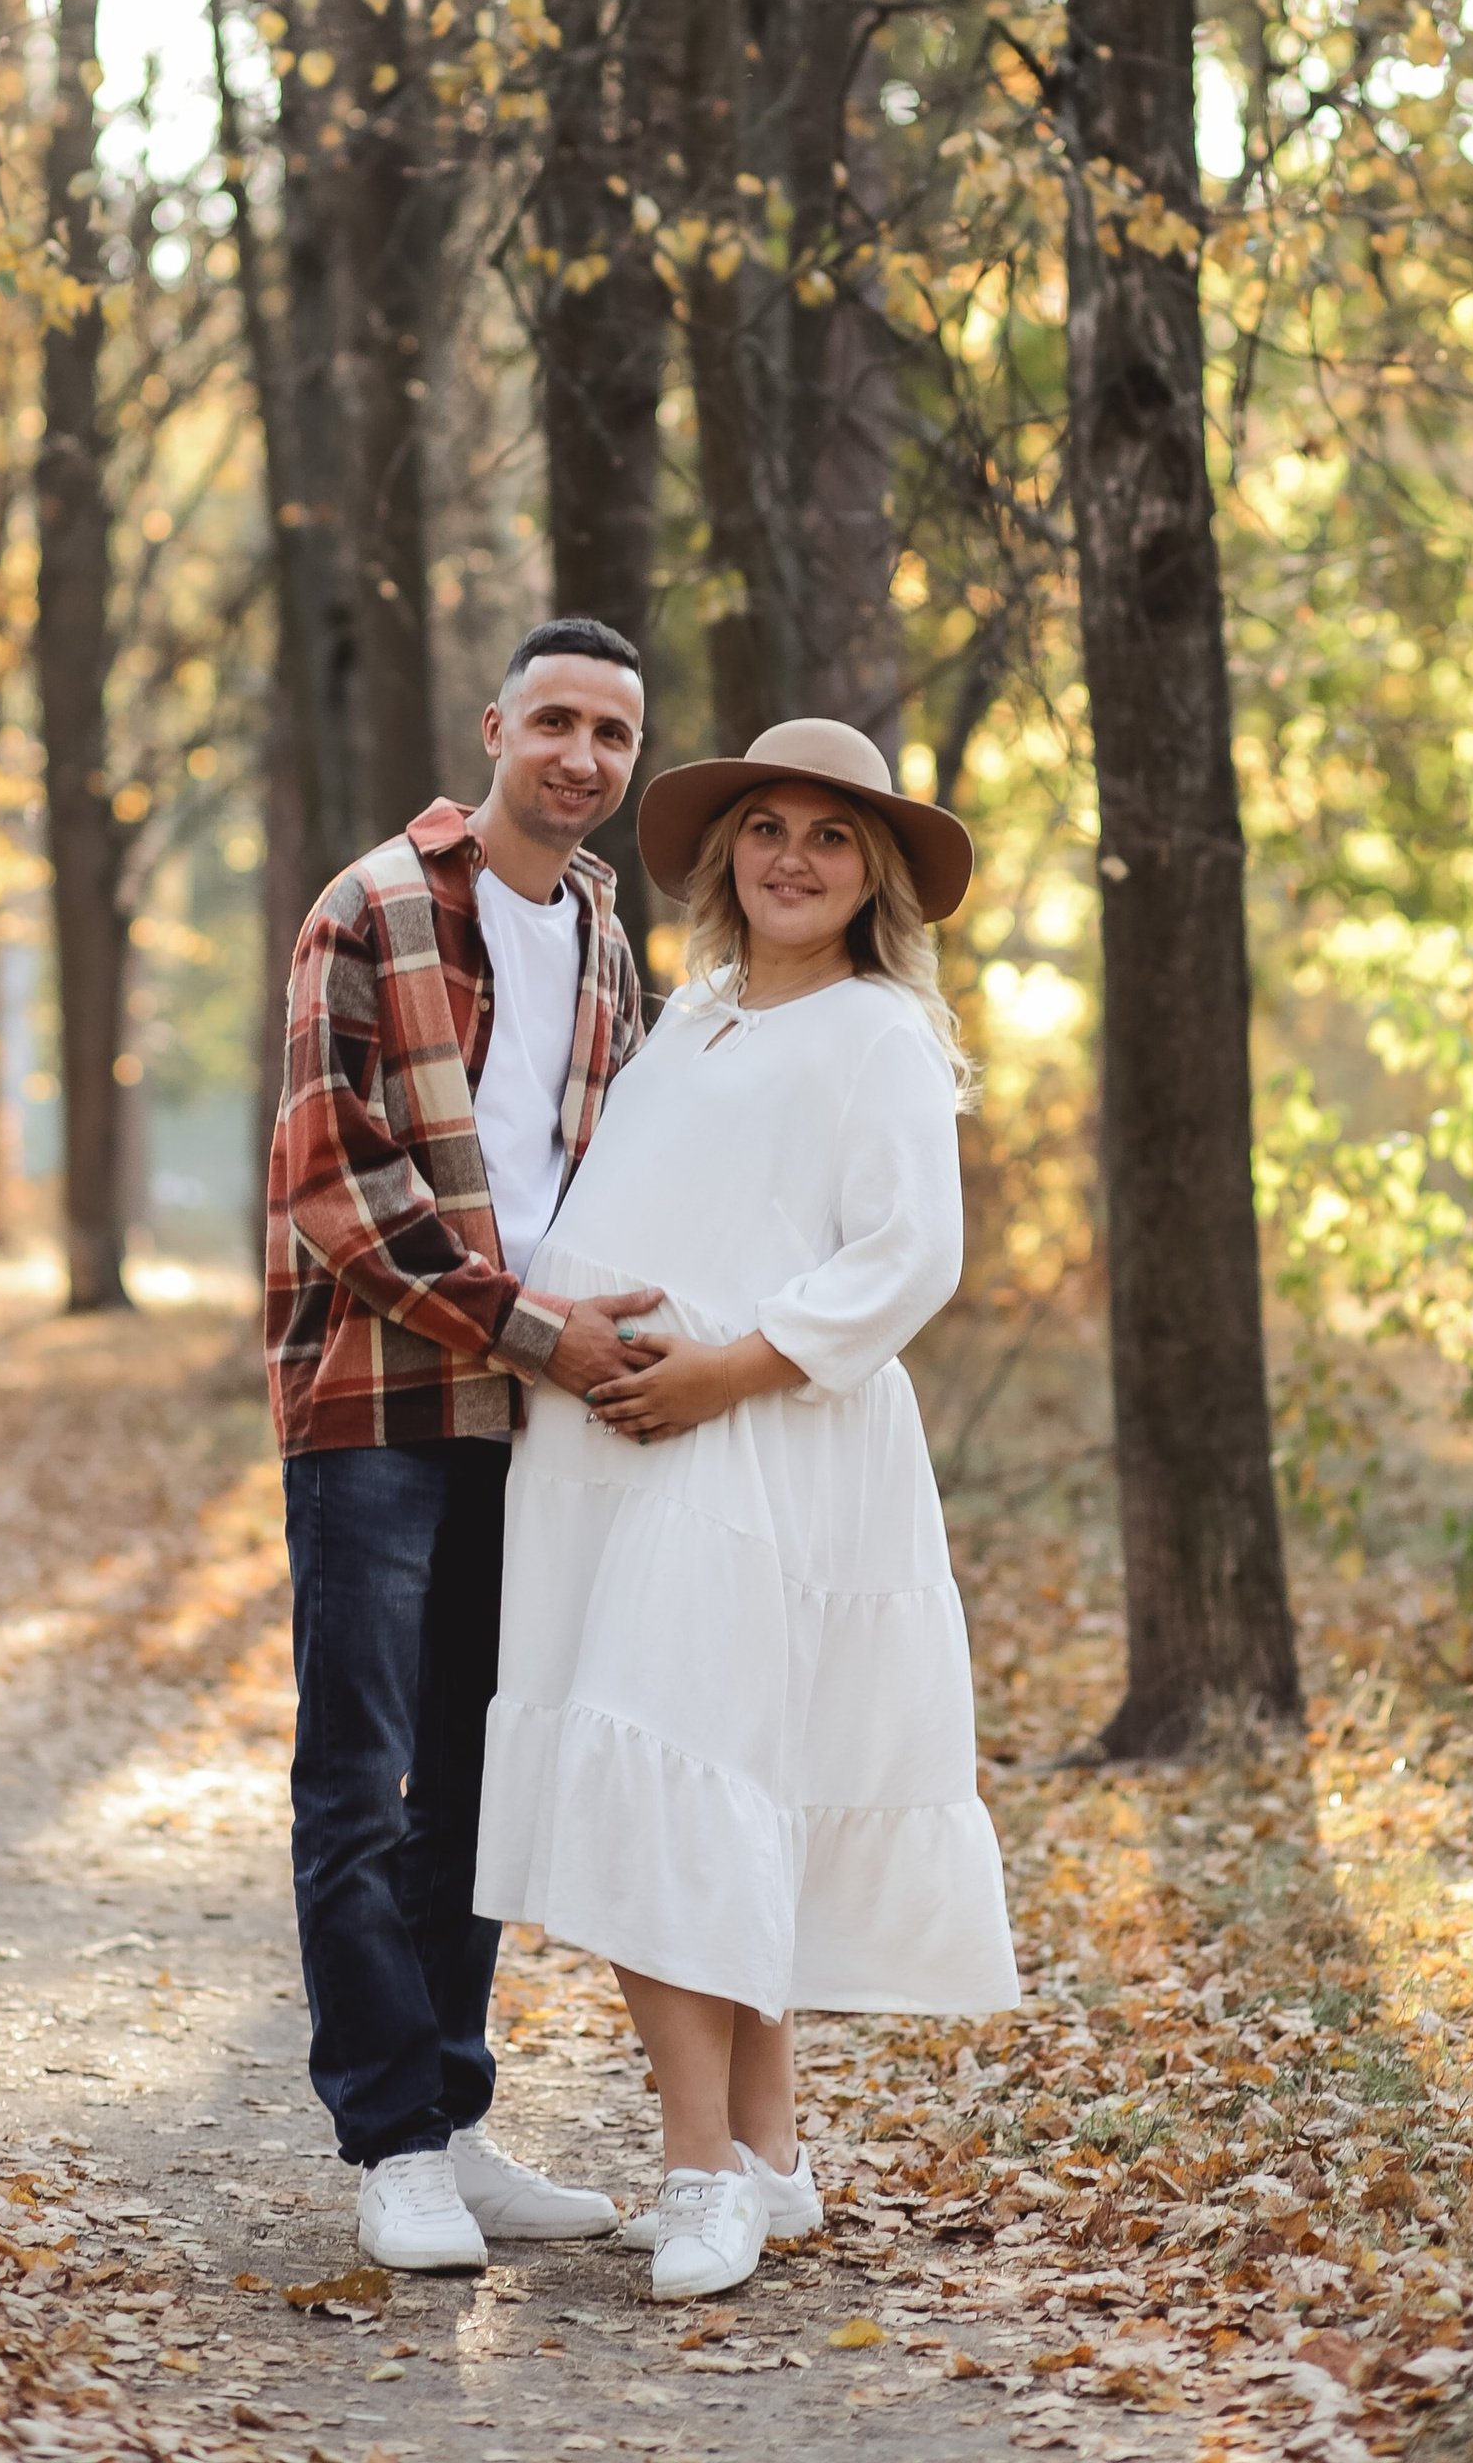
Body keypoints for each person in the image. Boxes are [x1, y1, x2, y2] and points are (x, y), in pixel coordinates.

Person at [473, 713, 1021, 2306]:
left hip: (749, 1443)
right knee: (714, 1786)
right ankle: (769, 2155)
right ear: (729, 855)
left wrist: (721, 1371)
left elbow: (911, 1255)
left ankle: (698, 2165)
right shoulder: (693, 1013)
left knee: (682, 1783)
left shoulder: (875, 1034)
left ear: (874, 883)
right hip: (612, 1447)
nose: (794, 858)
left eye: (831, 838)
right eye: (769, 828)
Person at [266, 617, 664, 2275]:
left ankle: (453, 2115)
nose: (580, 757)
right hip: (375, 1406)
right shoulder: (369, 909)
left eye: (614, 737)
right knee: (359, 1778)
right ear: (496, 726)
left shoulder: (607, 943)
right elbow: (334, 1189)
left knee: (479, 1776)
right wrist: (534, 1331)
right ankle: (389, 2147)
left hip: (533, 1423)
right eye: (555, 721)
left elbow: (616, 1173)